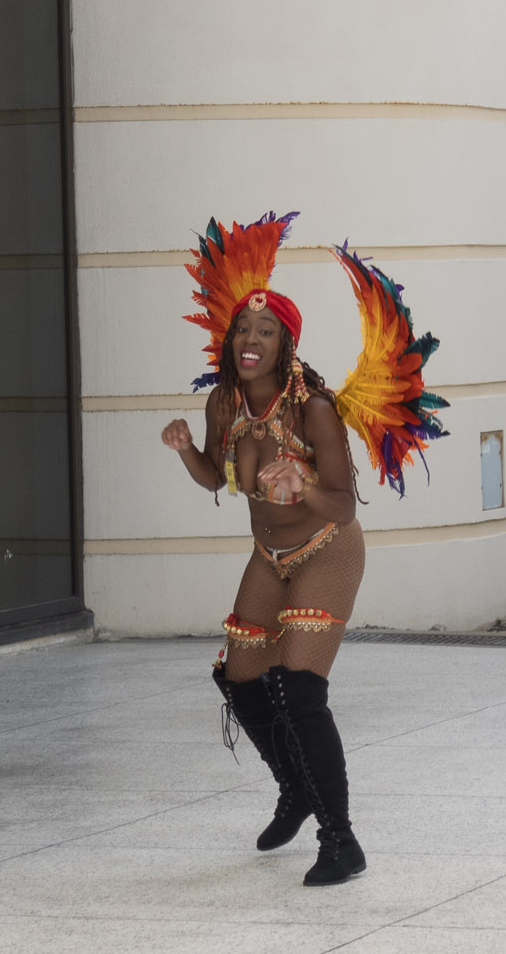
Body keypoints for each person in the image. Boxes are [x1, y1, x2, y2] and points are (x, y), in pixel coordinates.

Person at [159, 214, 447, 887]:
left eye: (265, 332)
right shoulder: (224, 403)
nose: (249, 340)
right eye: (242, 330)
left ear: (287, 346)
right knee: (238, 679)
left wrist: (302, 483)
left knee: (298, 689)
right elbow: (216, 475)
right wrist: (184, 454)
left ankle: (340, 840)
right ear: (229, 342)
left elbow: (344, 502)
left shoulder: (313, 409)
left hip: (327, 546)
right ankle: (293, 786)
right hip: (268, 553)